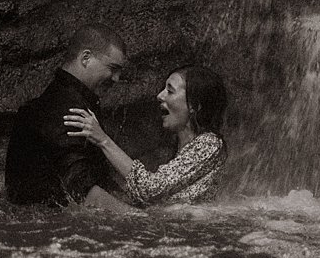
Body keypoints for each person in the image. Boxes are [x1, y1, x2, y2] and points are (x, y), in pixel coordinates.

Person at [64, 65, 228, 208]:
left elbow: (150, 188)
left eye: (170, 91)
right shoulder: (183, 145)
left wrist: (103, 140)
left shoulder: (209, 144)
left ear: (194, 105)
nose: (160, 95)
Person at [4, 25, 128, 205]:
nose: (116, 78)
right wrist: (143, 219)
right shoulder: (67, 109)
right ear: (86, 58)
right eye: (113, 68)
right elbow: (82, 190)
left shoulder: (68, 100)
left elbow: (96, 179)